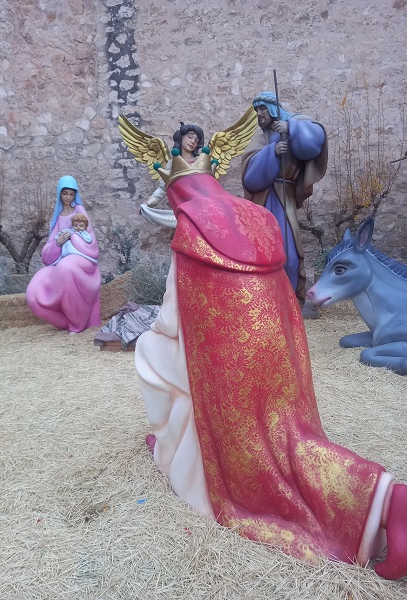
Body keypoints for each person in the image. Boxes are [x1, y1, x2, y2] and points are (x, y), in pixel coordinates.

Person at [123, 121, 407, 580]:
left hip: (227, 369)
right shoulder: (259, 220)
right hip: (277, 359)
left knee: (157, 357)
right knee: (290, 440)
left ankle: (385, 499)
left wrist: (152, 333)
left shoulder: (191, 233)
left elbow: (172, 320)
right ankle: (387, 504)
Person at [241, 91, 328, 307]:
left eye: (263, 108)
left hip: (285, 197)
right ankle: (266, 303)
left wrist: (291, 129)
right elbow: (250, 177)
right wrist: (272, 151)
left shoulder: (295, 123)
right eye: (257, 110)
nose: (260, 114)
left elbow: (313, 143)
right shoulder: (260, 139)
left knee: (290, 254)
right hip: (265, 201)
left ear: (274, 109)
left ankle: (289, 304)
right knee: (267, 252)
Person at [26, 176, 101, 334]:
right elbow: (48, 251)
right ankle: (64, 322)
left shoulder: (79, 211)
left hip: (83, 259)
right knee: (34, 291)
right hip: (61, 259)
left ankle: (77, 323)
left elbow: (91, 242)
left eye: (71, 194)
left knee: (65, 268)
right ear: (59, 193)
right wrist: (58, 243)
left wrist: (73, 237)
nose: (68, 197)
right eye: (65, 193)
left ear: (75, 195)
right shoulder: (58, 216)